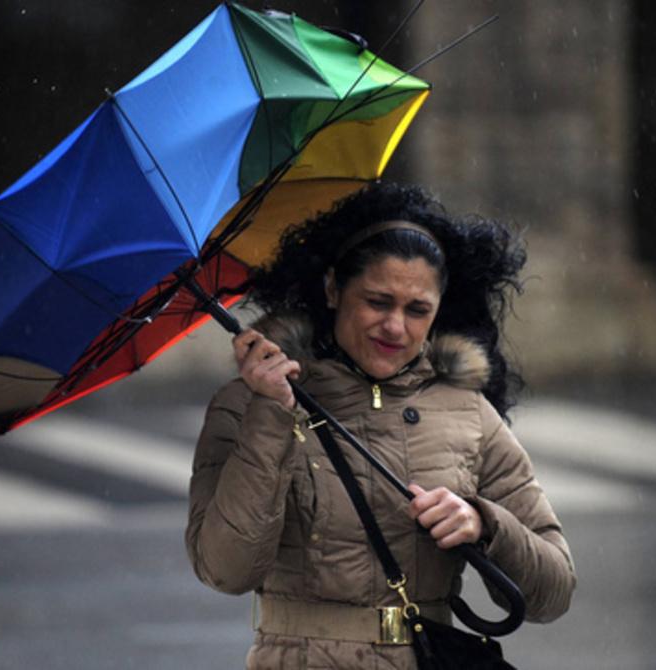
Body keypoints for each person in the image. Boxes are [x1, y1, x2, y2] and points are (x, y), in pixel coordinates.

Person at [186, 182, 576, 669]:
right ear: (333, 289)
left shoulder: (468, 413)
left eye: (417, 311)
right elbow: (225, 569)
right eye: (377, 301)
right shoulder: (245, 406)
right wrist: (270, 412)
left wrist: (484, 523)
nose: (395, 327)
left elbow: (552, 592)